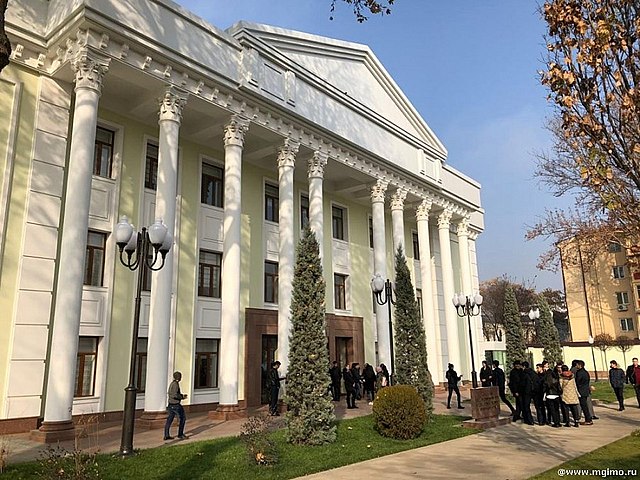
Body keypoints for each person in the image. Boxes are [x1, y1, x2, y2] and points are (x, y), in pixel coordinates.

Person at [164, 371, 187, 440]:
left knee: (169, 420)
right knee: (183, 418)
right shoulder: (175, 385)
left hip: (171, 405)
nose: (181, 378)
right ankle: (180, 434)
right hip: (175, 405)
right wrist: (182, 396)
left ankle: (166, 435)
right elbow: (174, 395)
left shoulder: (172, 384)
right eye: (180, 376)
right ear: (178, 377)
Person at [543, 362, 562, 427]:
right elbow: (559, 388)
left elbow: (544, 388)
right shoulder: (556, 380)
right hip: (556, 395)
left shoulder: (546, 381)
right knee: (556, 409)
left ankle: (555, 422)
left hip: (549, 395)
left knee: (552, 409)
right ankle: (558, 422)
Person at [574, 360, 593, 425]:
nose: (576, 366)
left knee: (584, 406)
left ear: (580, 365)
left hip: (581, 391)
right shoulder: (586, 372)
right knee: (584, 405)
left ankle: (588, 419)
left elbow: (577, 382)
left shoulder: (579, 373)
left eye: (577, 365)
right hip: (585, 390)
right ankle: (588, 418)